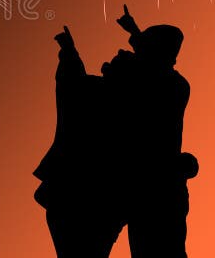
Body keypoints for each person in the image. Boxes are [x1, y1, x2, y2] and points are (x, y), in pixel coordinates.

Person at [112, 6, 197, 258]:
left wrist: (134, 33)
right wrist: (134, 30)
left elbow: (151, 69)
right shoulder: (171, 81)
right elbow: (151, 64)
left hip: (159, 186)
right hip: (153, 185)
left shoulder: (173, 85)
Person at [34, 26, 124, 258]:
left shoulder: (106, 95)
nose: (110, 61)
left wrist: (69, 51)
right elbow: (72, 81)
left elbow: (71, 81)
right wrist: (69, 51)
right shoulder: (113, 96)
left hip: (80, 195)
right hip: (87, 197)